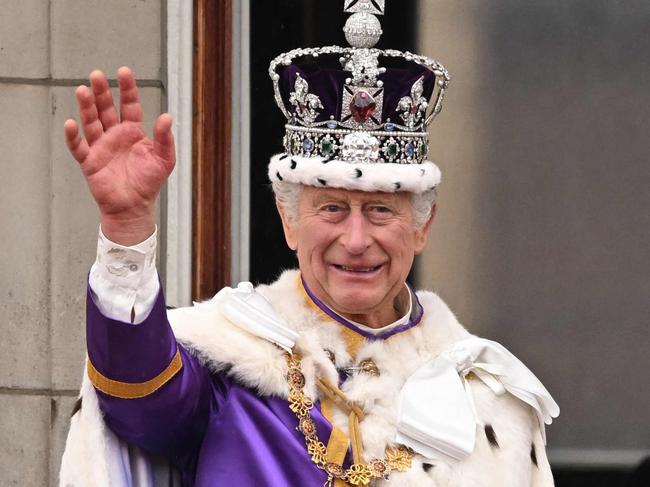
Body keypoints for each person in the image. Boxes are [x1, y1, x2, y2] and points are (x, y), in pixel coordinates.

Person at [60, 3, 558, 486]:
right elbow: (138, 398)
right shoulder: (228, 369)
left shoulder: (489, 402)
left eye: (382, 210)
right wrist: (126, 229)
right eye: (332, 209)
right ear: (290, 222)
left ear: (423, 226)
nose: (357, 240)